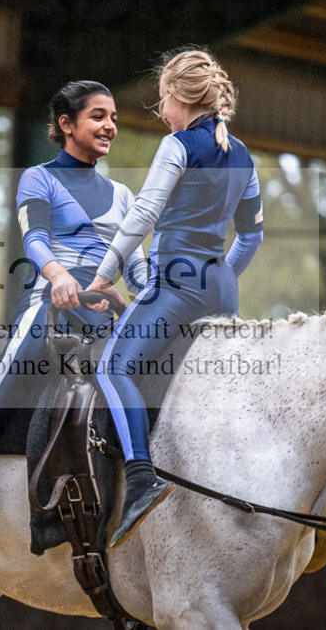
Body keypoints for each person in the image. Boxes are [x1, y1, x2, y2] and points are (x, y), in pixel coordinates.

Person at [0, 80, 147, 540]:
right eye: (98, 116)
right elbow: (34, 238)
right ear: (66, 124)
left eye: (113, 117)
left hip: (101, 315)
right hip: (49, 299)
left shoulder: (123, 195)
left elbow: (135, 269)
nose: (110, 125)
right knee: (20, 356)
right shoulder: (39, 177)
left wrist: (160, 297)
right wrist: (59, 276)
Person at [86, 47, 264, 547]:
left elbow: (142, 216)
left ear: (179, 98)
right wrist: (217, 276)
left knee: (111, 369)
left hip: (176, 282)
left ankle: (141, 479)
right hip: (221, 289)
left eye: (162, 101)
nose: (161, 113)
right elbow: (251, 237)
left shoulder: (179, 146)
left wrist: (105, 273)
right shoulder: (243, 154)